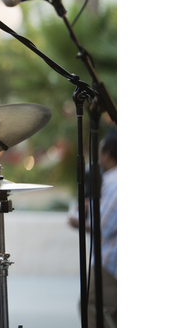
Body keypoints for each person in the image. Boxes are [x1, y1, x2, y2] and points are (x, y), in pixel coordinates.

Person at [69, 130, 117, 328]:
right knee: (112, 311)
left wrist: (76, 221)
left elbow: (103, 227)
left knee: (91, 305)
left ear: (106, 154)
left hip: (110, 262)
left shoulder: (115, 181)